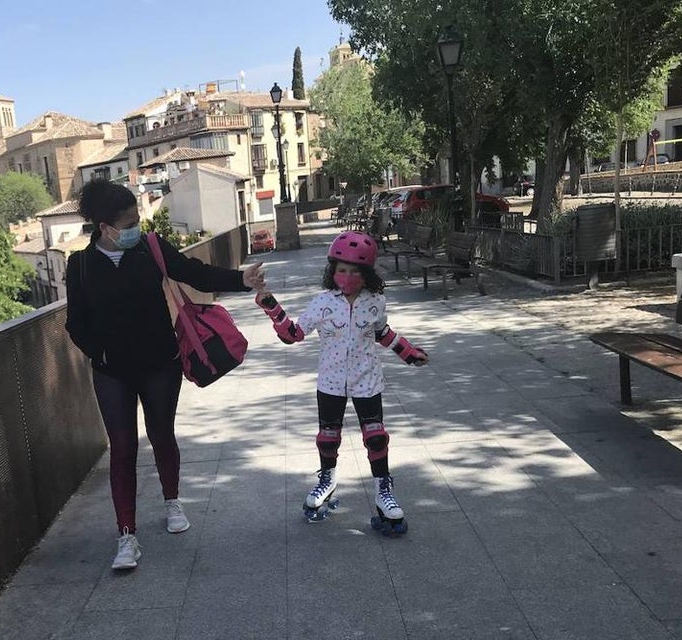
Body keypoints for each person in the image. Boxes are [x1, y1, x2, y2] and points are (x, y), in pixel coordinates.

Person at [65, 179, 266, 570]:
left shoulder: (150, 248)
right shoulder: (82, 265)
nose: (135, 227)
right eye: (127, 223)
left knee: (161, 435)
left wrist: (240, 280)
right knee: (122, 449)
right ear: (105, 228)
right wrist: (100, 351)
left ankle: (172, 502)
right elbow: (76, 322)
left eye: (136, 219)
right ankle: (127, 536)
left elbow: (195, 273)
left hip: (160, 363)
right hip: (111, 372)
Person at [254, 230, 429, 534]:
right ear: (332, 270)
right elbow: (293, 334)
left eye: (354, 271)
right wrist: (270, 304)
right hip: (331, 382)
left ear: (366, 274)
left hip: (367, 380)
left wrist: (409, 352)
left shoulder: (375, 301)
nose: (346, 276)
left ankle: (383, 490)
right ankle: (327, 479)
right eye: (341, 270)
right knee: (328, 437)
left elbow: (382, 333)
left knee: (376, 437)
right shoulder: (323, 303)